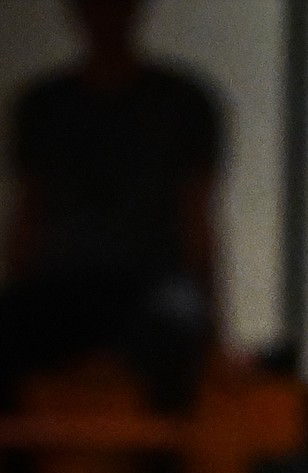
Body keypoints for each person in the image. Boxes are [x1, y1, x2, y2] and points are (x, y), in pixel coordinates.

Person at [0, 0, 223, 412]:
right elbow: (27, 214)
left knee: (175, 344)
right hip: (64, 285)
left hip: (152, 284)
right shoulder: (44, 106)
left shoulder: (181, 102)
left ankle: (166, 468)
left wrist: (215, 328)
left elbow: (196, 215)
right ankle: (23, 469)